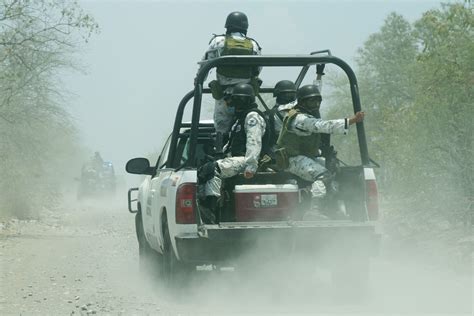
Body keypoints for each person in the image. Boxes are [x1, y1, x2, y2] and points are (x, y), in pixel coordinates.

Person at [276, 84, 365, 219]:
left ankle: (334, 209)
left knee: (335, 172)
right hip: (292, 159)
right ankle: (314, 210)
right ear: (303, 102)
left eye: (318, 101)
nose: (316, 104)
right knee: (323, 176)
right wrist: (352, 121)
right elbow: (321, 126)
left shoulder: (306, 115)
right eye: (312, 101)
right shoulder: (299, 119)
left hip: (305, 157)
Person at [198, 83, 270, 223]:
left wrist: (251, 166)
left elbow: (253, 142)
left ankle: (211, 211)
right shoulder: (239, 119)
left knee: (214, 169)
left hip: (248, 160)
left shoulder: (252, 117)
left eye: (238, 100)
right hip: (240, 158)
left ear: (246, 100)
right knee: (206, 168)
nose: (234, 104)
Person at [201, 11, 262, 135]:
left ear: (228, 26)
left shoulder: (218, 41)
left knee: (221, 129)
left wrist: (199, 82)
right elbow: (258, 69)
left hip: (224, 95)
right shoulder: (254, 45)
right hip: (246, 96)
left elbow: (205, 65)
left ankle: (220, 149)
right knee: (250, 128)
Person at [267, 65, 326, 140]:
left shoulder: (273, 113)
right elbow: (313, 96)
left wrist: (319, 75)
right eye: (287, 95)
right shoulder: (289, 109)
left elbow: (312, 96)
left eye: (291, 94)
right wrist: (319, 75)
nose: (289, 97)